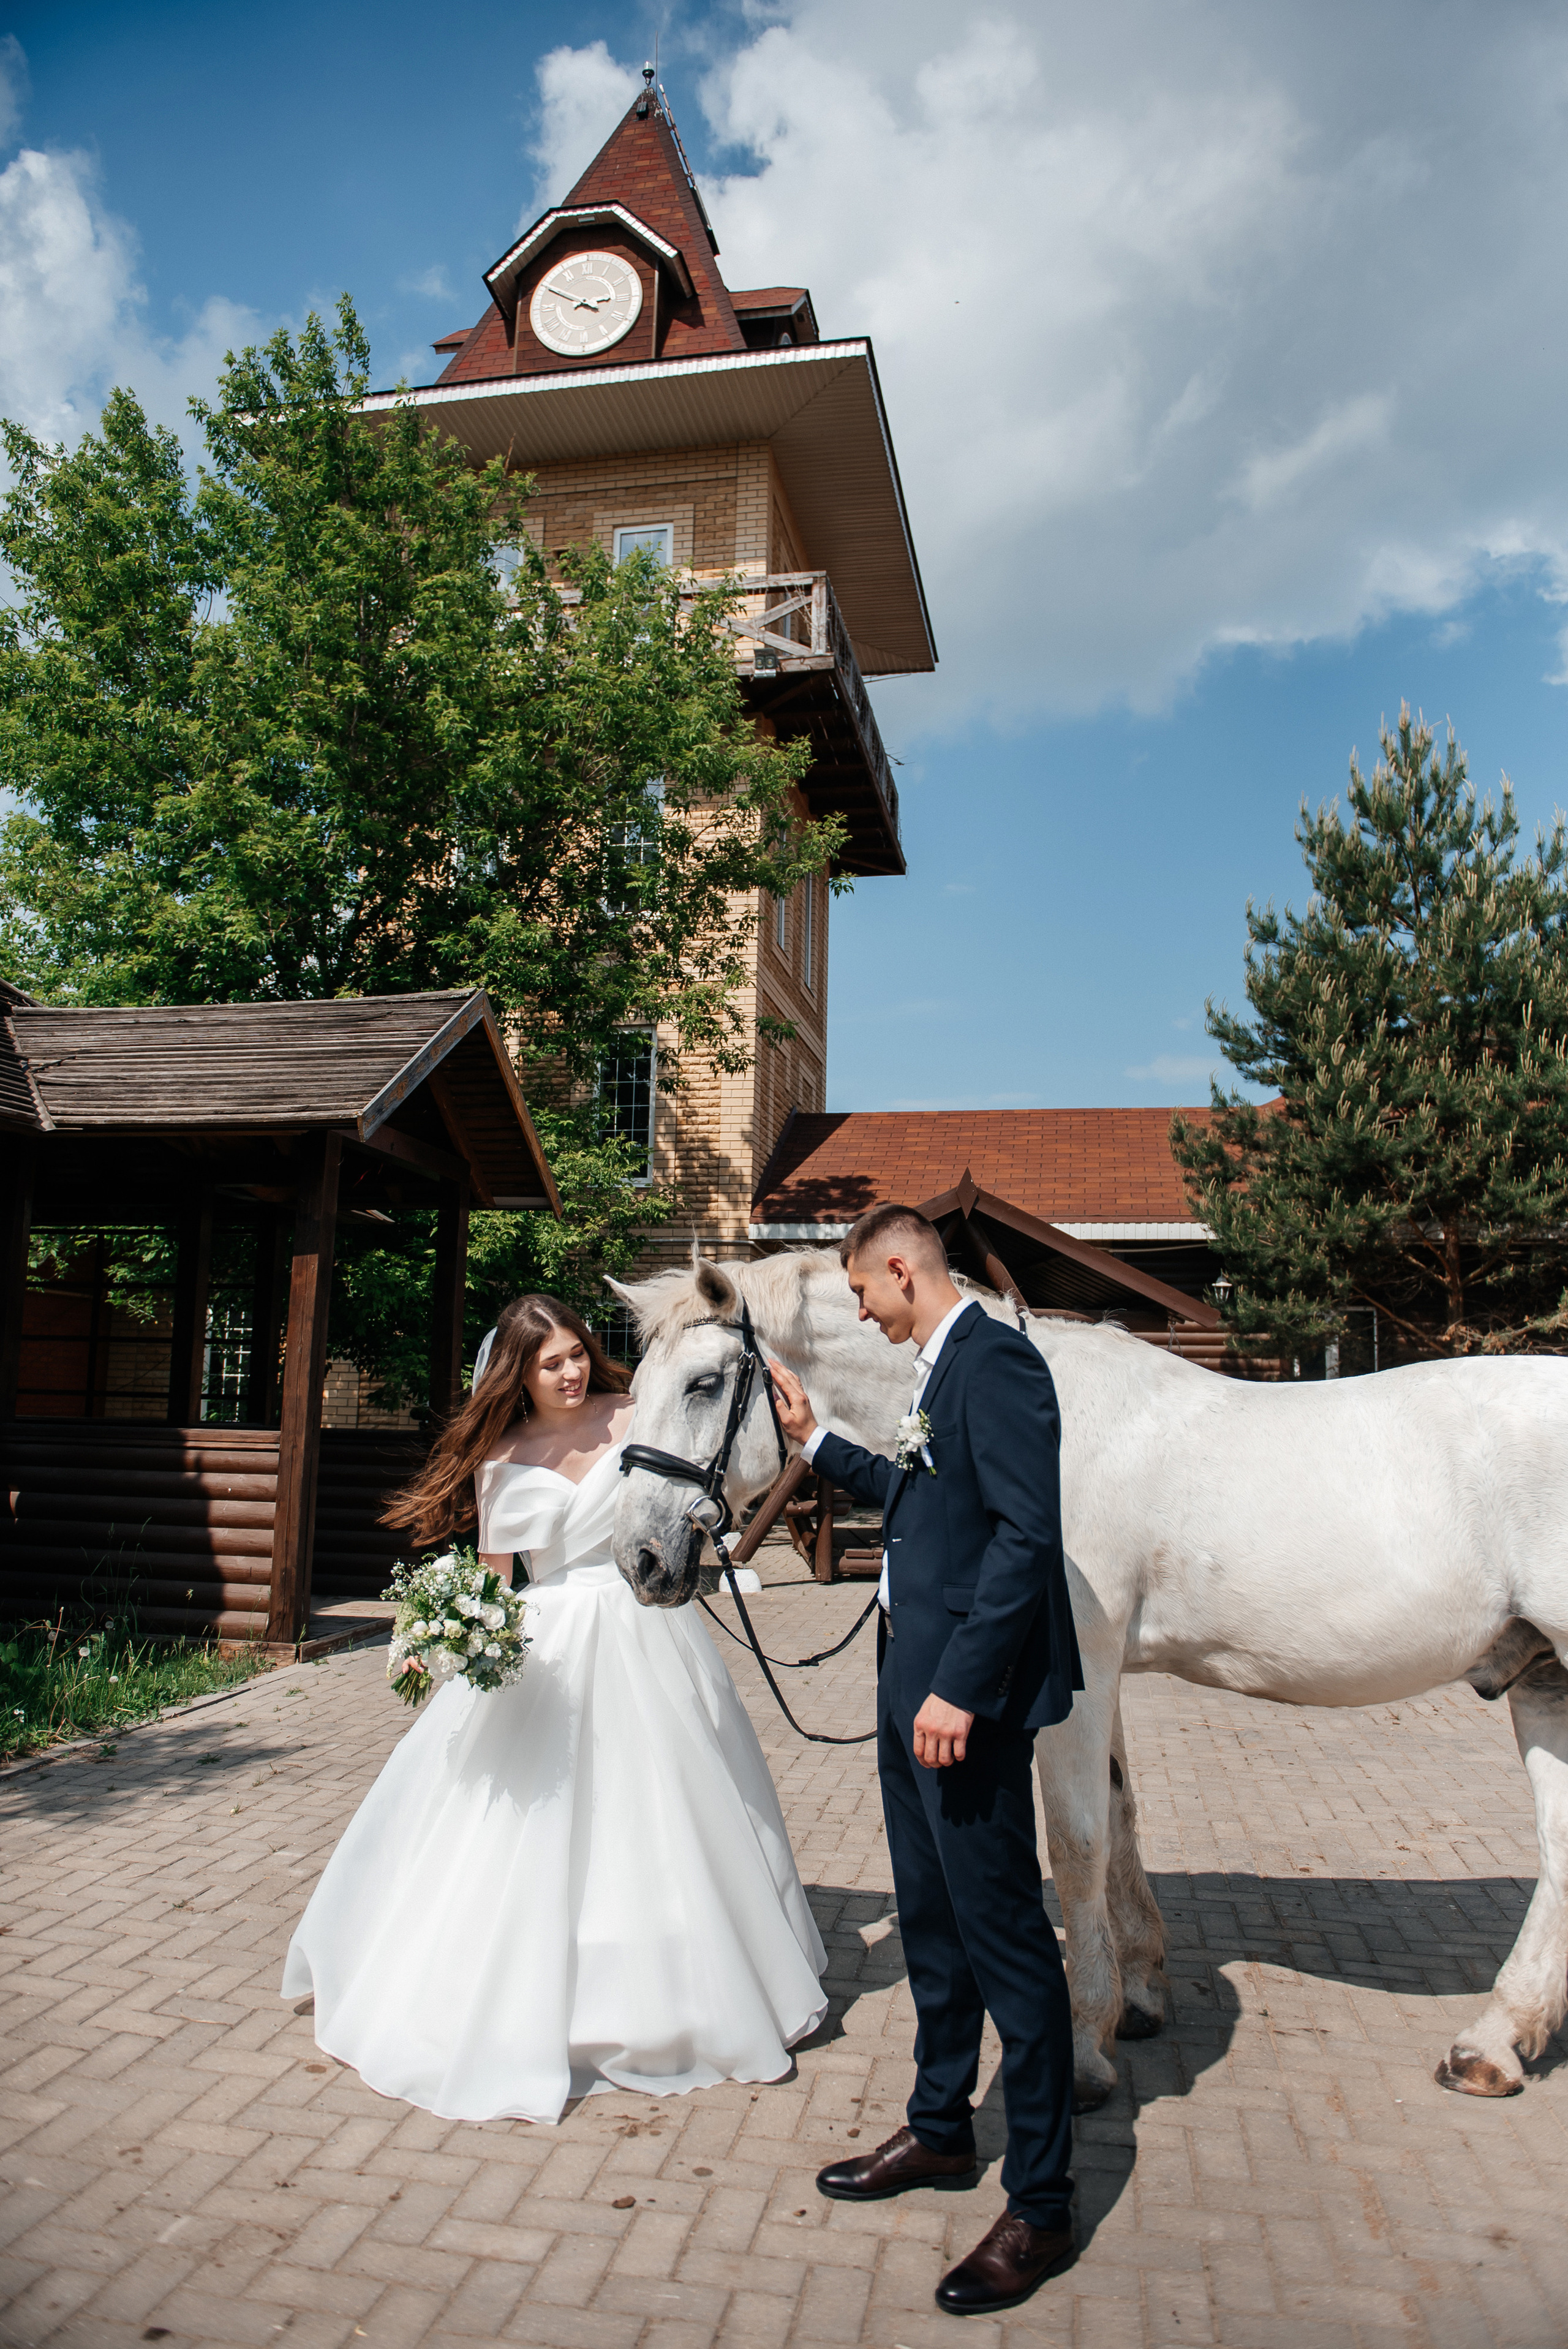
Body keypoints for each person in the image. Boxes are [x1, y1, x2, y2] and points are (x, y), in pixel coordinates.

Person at [281, 1294, 826, 2124]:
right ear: (520, 1374)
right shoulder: (500, 1458)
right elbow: (496, 1579)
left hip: (644, 1630)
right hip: (545, 1649)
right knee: (529, 1820)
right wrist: (453, 1631)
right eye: (551, 1363)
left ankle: (681, 1983)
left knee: (662, 1810)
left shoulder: (632, 1412)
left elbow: (694, 1465)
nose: (571, 1372)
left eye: (576, 1353)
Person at [767, 1204, 1083, 2318]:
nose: (861, 1311)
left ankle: (1042, 2202)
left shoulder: (997, 1365)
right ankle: (943, 2129)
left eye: (863, 1292)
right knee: (933, 1924)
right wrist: (815, 1443)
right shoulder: (936, 1367)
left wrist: (961, 1688)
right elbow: (922, 1498)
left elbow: (1025, 1539)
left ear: (901, 1269)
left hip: (963, 1701)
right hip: (910, 1685)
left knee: (1006, 1942)